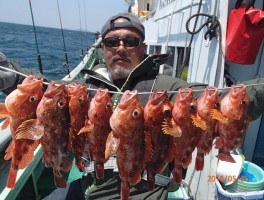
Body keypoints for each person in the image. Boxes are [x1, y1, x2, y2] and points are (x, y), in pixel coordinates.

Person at [1, 13, 264, 200]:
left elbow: (229, 104)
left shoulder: (166, 88)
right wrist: (12, 75)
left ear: (144, 47)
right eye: (112, 42)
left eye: (131, 40)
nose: (121, 47)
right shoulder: (88, 85)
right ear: (103, 49)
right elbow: (46, 95)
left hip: (146, 191)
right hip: (89, 185)